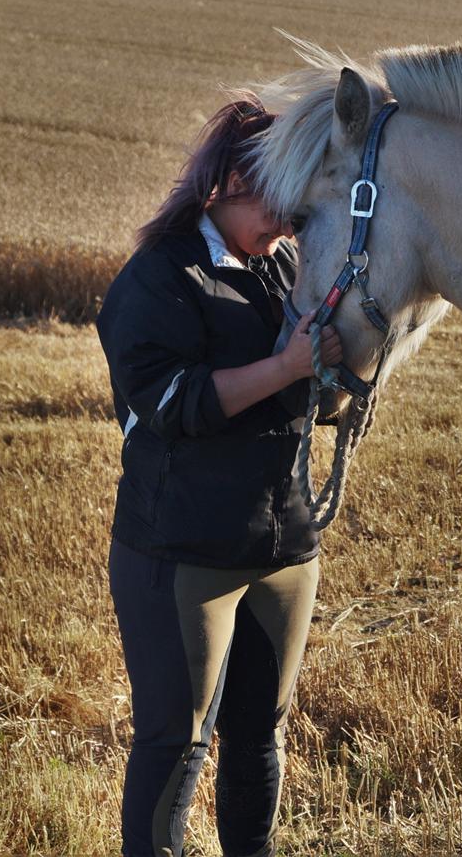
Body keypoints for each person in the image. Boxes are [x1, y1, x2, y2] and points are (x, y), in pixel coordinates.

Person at [96, 97, 341, 857]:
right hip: (182, 552)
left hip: (284, 547)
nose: (290, 224)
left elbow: (321, 400)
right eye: (280, 203)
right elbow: (172, 402)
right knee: (176, 743)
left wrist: (336, 366)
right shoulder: (158, 276)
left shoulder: (286, 265)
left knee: (257, 738)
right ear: (230, 180)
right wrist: (288, 364)